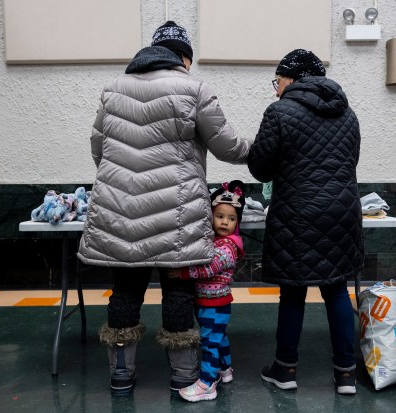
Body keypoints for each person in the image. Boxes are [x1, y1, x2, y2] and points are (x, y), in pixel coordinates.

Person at [77, 21, 250, 396]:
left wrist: (125, 185)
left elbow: (98, 149)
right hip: (178, 217)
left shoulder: (112, 90)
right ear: (183, 57)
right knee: (178, 292)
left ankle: (121, 375)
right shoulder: (194, 88)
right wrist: (263, 149)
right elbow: (227, 146)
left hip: (122, 215)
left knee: (125, 292)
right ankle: (184, 376)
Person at [247, 49, 364, 395]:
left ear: (294, 80)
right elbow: (351, 161)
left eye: (278, 80)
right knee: (337, 291)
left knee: (293, 294)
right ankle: (346, 374)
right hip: (342, 213)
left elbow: (260, 167)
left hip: (297, 215)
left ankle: (285, 369)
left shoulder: (280, 112)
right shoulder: (348, 114)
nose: (275, 88)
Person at [169, 180, 246, 402]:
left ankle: (207, 382)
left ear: (237, 223)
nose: (224, 222)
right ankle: (225, 370)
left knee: (209, 342)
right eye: (220, 216)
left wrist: (183, 274)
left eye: (231, 219)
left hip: (216, 303)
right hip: (209, 302)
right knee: (218, 337)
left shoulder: (229, 246)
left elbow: (210, 268)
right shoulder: (217, 241)